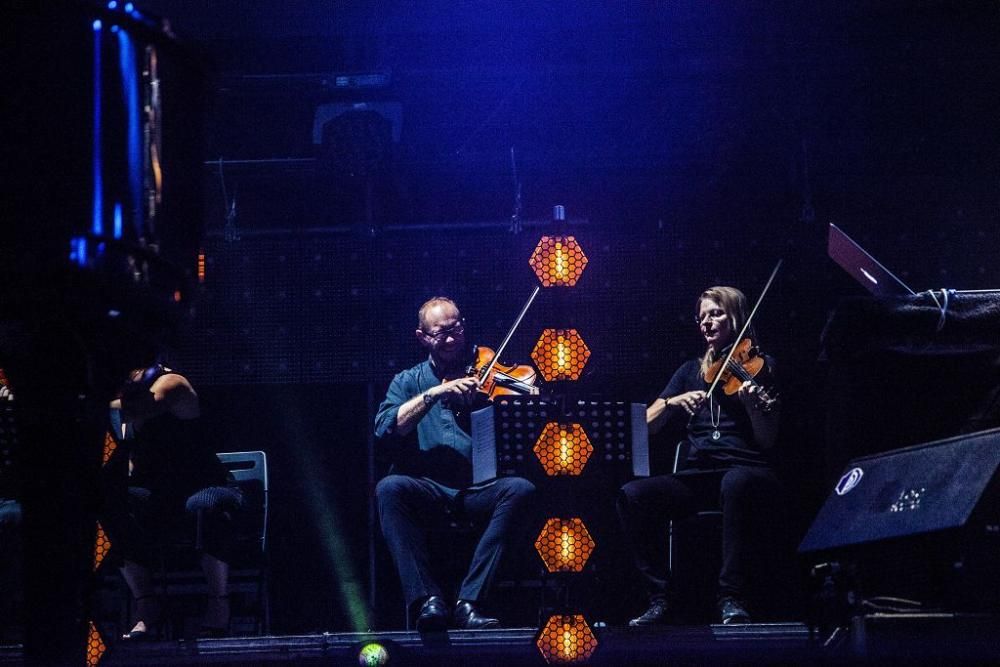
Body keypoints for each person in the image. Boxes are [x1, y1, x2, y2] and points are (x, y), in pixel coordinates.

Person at [617, 286, 784, 626]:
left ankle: (731, 599)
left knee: (735, 483)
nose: (707, 323)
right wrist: (670, 403)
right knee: (632, 496)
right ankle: (659, 598)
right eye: (702, 317)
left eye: (716, 314)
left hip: (745, 469)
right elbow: (645, 426)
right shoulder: (689, 371)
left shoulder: (760, 366)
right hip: (699, 474)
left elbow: (767, 441)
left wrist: (754, 408)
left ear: (736, 317)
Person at [374, 296, 537, 632]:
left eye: (457, 328)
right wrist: (436, 394)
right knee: (389, 488)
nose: (451, 339)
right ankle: (427, 601)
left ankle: (470, 601)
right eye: (441, 334)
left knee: (521, 489)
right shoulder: (408, 381)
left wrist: (525, 398)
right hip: (429, 489)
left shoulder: (485, 367)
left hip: (478, 488)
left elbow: (527, 399)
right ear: (422, 337)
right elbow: (387, 427)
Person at [102, 364, 243, 640]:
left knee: (204, 505)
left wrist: (66, 404)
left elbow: (136, 407)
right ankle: (146, 603)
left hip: (207, 483)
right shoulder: (127, 406)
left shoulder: (173, 383)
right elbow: (134, 462)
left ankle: (219, 604)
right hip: (161, 496)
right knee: (110, 501)